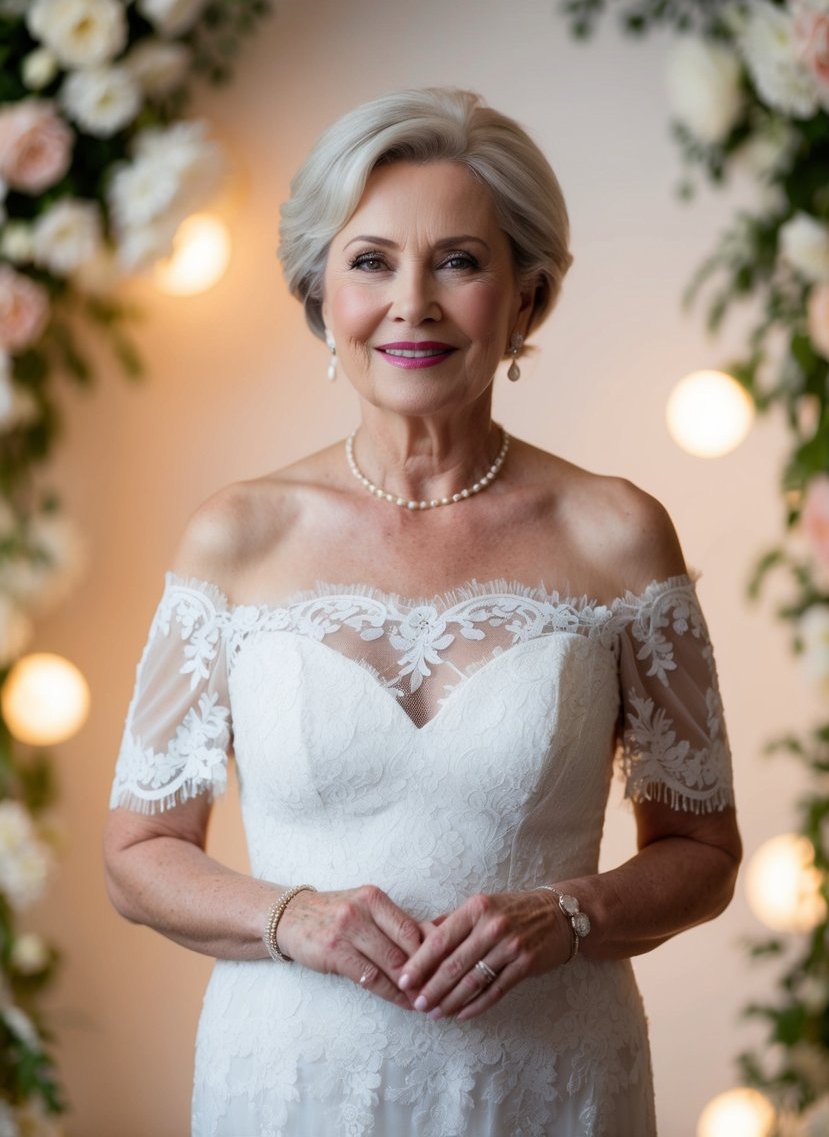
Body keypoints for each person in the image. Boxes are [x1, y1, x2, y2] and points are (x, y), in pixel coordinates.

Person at [104, 87, 742, 1137]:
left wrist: (566, 915)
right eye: (370, 262)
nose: (413, 303)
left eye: (458, 260)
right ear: (319, 291)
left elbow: (703, 852)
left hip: (552, 1085)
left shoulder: (617, 532)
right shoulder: (238, 533)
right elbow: (138, 850)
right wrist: (289, 916)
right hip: (287, 1083)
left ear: (527, 296)